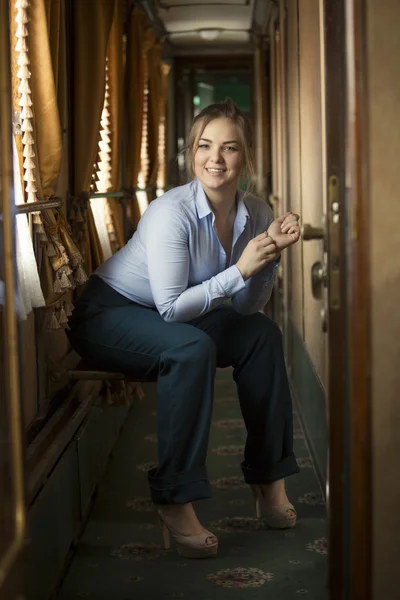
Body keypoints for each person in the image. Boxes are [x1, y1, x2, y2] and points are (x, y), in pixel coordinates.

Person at [67, 98, 301, 559]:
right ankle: (175, 499)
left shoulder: (256, 210)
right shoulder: (169, 211)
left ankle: (269, 479)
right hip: (109, 314)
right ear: (192, 152)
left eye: (229, 148)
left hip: (180, 314)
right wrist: (240, 269)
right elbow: (172, 309)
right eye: (205, 146)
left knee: (263, 335)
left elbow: (247, 307)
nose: (215, 159)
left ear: (246, 155)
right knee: (191, 348)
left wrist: (268, 257)